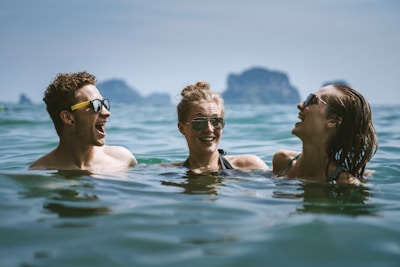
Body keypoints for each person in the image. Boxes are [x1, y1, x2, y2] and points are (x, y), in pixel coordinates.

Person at [29, 71, 137, 172]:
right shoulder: (40, 172)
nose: (107, 112)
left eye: (104, 104)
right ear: (68, 117)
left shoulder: (123, 160)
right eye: (96, 105)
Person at [272, 84, 378, 185]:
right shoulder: (282, 161)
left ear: (332, 121)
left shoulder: (345, 183)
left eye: (312, 100)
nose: (300, 105)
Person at [164, 81, 268, 174]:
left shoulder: (249, 166)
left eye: (216, 121)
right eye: (199, 121)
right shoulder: (168, 172)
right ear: (182, 128)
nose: (209, 129)